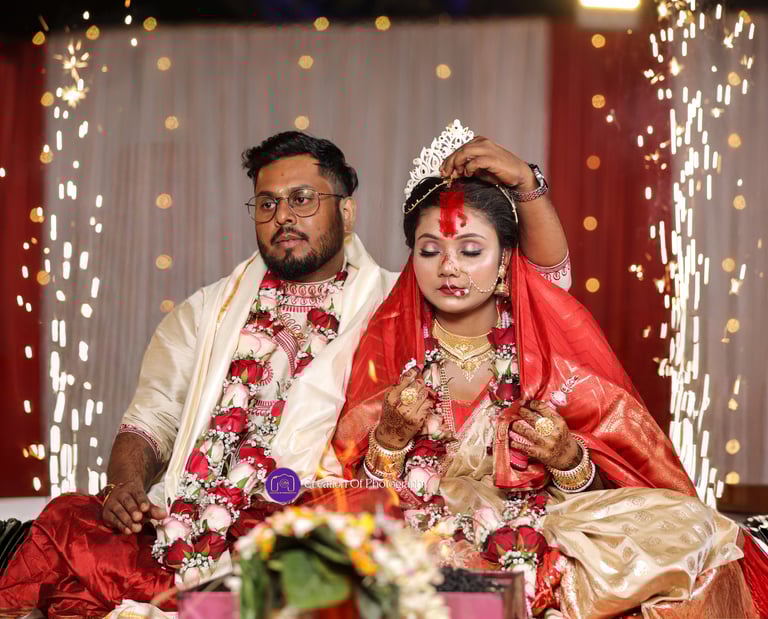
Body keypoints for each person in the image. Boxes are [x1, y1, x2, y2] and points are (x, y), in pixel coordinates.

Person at [0, 129, 571, 617]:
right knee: (67, 521)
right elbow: (151, 421)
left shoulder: (396, 305)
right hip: (189, 521)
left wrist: (529, 186)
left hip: (309, 521)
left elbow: (538, 293)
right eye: (267, 204)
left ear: (346, 210)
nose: (283, 217)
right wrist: (124, 485)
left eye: (302, 199)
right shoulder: (206, 312)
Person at [331, 120, 768, 617]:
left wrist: (567, 459)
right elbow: (351, 488)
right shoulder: (390, 346)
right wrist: (390, 439)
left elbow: (612, 483)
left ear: (504, 261)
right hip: (425, 533)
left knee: (693, 535)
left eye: (470, 250)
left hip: (547, 527)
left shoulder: (544, 348)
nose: (448, 267)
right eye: (430, 250)